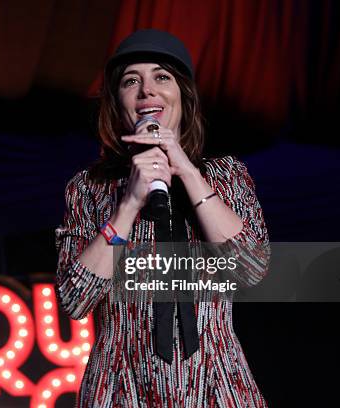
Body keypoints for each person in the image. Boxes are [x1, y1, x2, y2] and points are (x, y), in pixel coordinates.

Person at [55, 29, 270, 407]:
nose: (147, 91)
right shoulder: (88, 188)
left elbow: (250, 269)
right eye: (130, 81)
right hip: (121, 383)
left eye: (162, 77)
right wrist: (128, 205)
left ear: (183, 95)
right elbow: (76, 300)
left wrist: (186, 171)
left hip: (216, 379)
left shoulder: (227, 176)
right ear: (117, 103)